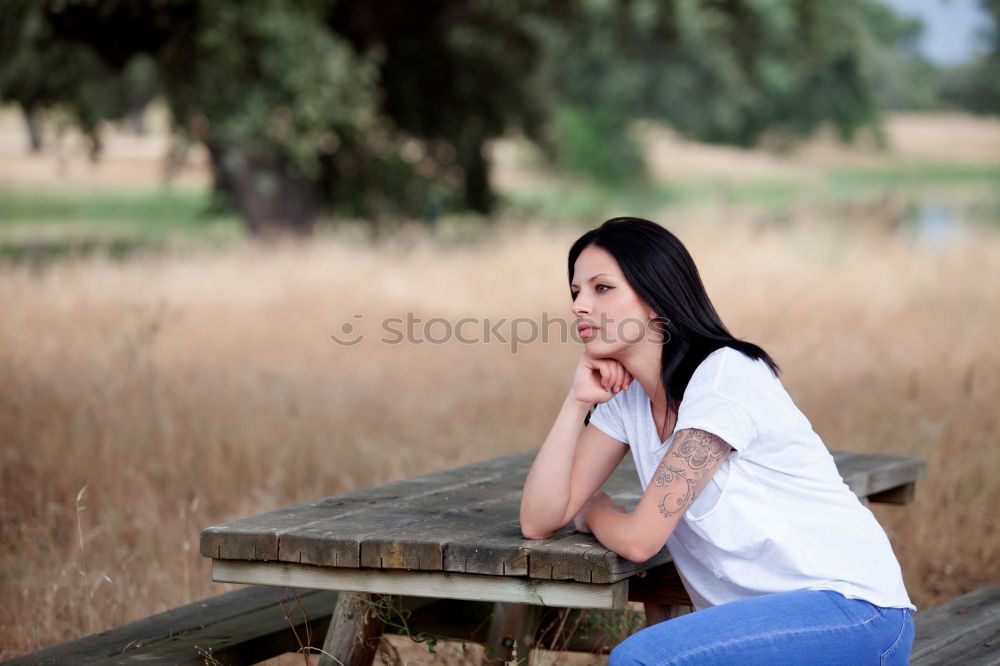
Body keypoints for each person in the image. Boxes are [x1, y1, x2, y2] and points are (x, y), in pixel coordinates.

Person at [520, 217, 915, 664]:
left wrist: (596, 511)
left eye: (601, 288)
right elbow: (539, 520)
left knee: (642, 659)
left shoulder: (724, 378)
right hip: (764, 629)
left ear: (656, 295)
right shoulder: (627, 400)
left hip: (853, 613)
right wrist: (576, 401)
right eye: (575, 291)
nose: (579, 305)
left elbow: (639, 541)